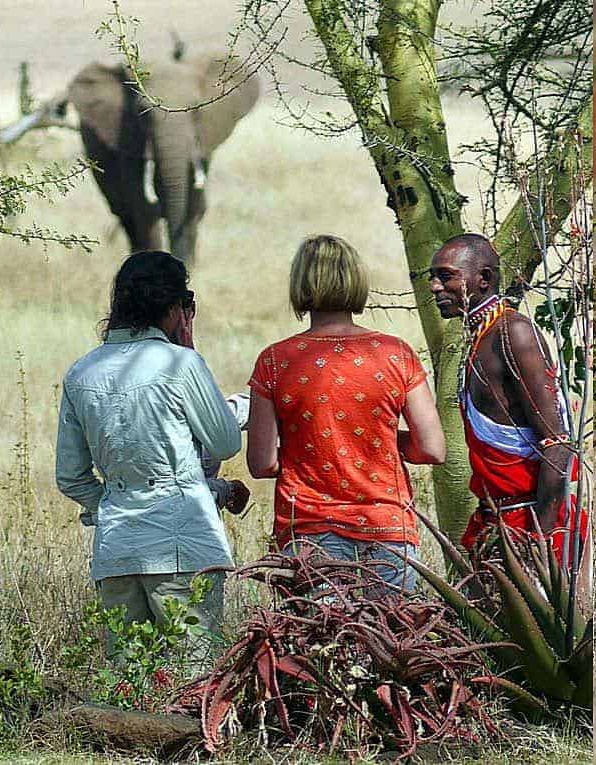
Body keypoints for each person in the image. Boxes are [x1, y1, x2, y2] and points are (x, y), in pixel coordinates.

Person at [56, 250, 248, 643]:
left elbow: (71, 477)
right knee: (193, 671)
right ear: (176, 307)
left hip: (116, 551)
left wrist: (113, 505)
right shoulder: (180, 364)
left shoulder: (81, 372)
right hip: (183, 547)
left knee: (127, 675)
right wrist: (190, 351)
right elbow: (225, 442)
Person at [245, 235, 445, 592]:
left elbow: (262, 464)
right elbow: (432, 449)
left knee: (320, 630)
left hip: (309, 534)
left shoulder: (275, 361)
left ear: (300, 284)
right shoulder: (396, 354)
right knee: (390, 628)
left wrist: (305, 448)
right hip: (387, 530)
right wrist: (381, 441)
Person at [426, 233, 585, 566]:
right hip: (497, 528)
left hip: (531, 532)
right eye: (432, 277)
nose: (435, 287)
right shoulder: (479, 337)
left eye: (446, 276)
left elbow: (557, 444)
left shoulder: (513, 334)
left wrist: (539, 544)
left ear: (483, 279)